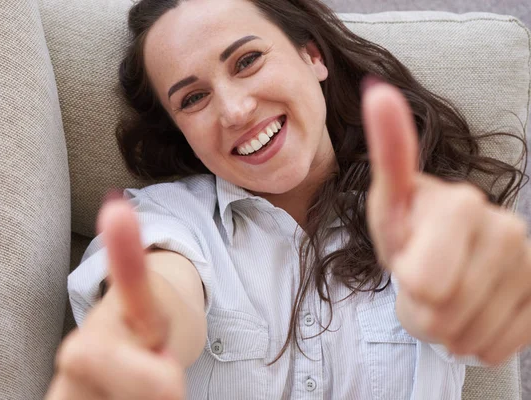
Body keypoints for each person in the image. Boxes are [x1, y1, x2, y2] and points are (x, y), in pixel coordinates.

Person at [46, 0, 531, 399]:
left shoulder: (419, 217)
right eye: (193, 99)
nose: (235, 110)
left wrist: (461, 284)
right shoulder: (168, 218)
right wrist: (137, 331)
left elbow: (441, 291)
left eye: (247, 61)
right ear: (181, 131)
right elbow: (162, 290)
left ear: (312, 56)